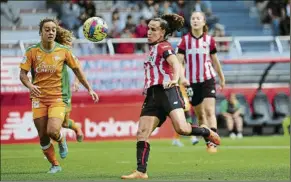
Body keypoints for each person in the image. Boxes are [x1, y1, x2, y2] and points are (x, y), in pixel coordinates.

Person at [121, 13, 221, 180]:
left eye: (153, 30)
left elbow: (175, 63)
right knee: (142, 132)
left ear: (162, 33)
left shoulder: (163, 46)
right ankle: (141, 171)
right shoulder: (153, 48)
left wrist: (174, 80)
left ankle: (206, 131)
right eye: (148, 29)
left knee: (181, 129)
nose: (149, 32)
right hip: (153, 95)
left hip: (168, 92)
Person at [19, 18, 98, 174]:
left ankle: (61, 140)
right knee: (42, 136)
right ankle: (55, 165)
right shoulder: (32, 51)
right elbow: (22, 75)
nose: (50, 32)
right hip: (38, 98)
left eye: (53, 30)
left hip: (57, 97)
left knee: (53, 131)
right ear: (40, 32)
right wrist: (30, 85)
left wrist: (89, 89)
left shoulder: (63, 51)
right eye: (47, 29)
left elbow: (78, 71)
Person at [176, 11, 225, 153]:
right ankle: (208, 139)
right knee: (200, 115)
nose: (195, 20)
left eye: (198, 18)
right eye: (193, 18)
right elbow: (178, 62)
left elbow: (215, 61)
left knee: (210, 111)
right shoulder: (184, 41)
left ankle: (212, 143)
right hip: (191, 82)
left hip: (208, 79)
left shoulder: (209, 40)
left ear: (204, 22)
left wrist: (221, 77)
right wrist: (182, 77)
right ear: (190, 22)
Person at [54, 26, 84, 142]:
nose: (71, 43)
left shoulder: (66, 53)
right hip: (50, 94)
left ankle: (77, 128)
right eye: (68, 40)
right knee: (52, 122)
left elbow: (78, 67)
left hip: (64, 94)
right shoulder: (50, 51)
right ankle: (50, 149)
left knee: (65, 123)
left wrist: (76, 82)